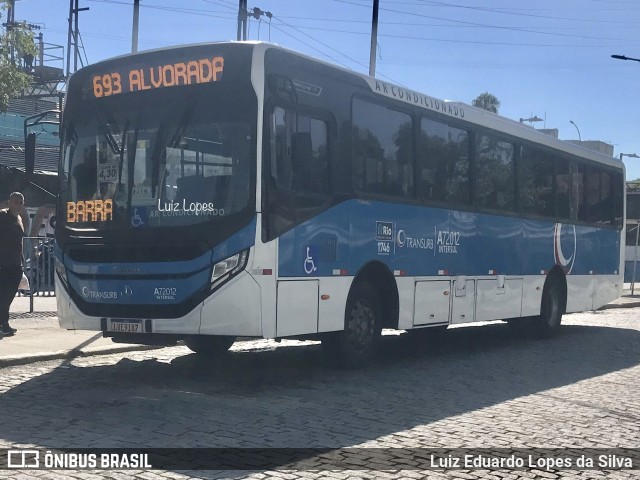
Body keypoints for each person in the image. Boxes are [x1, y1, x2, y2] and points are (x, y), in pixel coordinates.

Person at [0, 192, 25, 337]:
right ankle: (3, 325)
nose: (18, 205)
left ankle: (4, 323)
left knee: (8, 296)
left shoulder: (19, 218)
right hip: (4, 264)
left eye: (21, 202)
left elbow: (19, 242)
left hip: (16, 264)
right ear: (9, 202)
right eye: (16, 201)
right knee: (3, 296)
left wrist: (22, 261)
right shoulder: (2, 216)